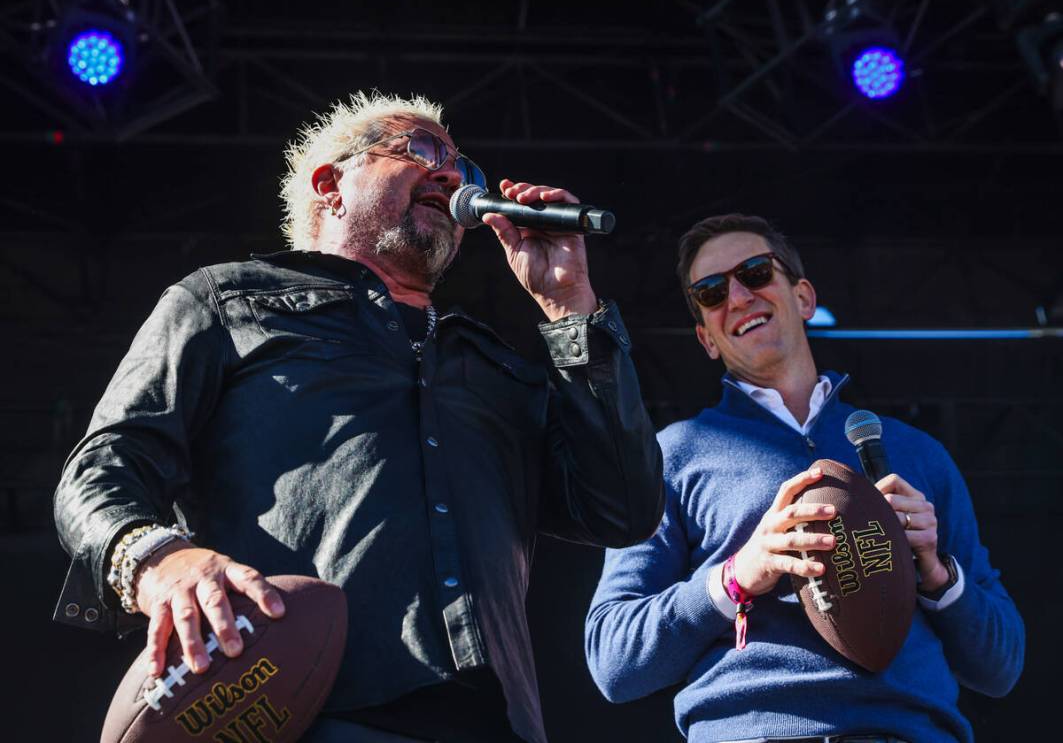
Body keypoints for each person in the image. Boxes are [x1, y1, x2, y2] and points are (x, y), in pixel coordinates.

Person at [53, 90, 664, 743]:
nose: (452, 175)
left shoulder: (493, 366)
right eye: (420, 151)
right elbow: (100, 470)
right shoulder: (227, 303)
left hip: (497, 723)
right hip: (309, 711)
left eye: (464, 167)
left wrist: (570, 309)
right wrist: (161, 563)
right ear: (330, 184)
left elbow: (621, 508)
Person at [584, 213, 1024, 743]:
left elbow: (1002, 666)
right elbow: (613, 659)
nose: (739, 297)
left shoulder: (918, 453)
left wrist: (938, 575)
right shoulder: (672, 455)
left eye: (754, 272)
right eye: (710, 291)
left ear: (804, 297)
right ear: (706, 338)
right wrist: (737, 576)